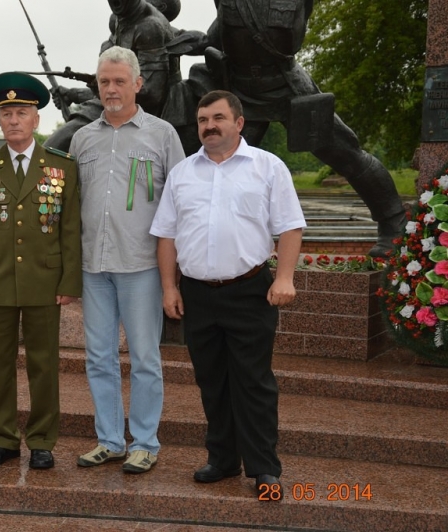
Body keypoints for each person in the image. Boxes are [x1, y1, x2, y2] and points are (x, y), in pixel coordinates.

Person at [150, 90, 306, 500]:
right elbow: (166, 234)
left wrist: (284, 277)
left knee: (252, 382)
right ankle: (222, 459)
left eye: (218, 118)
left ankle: (264, 468)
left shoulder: (267, 167)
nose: (209, 126)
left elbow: (290, 226)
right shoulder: (184, 173)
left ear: (238, 123)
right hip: (198, 294)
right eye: (203, 120)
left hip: (250, 291)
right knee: (212, 381)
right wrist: (170, 287)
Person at [181, 0, 403, 256]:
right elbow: (215, 38)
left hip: (288, 86)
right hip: (242, 93)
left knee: (346, 153)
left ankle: (394, 224)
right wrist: (176, 41)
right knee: (220, 168)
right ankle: (208, 240)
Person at [69, 46, 185, 474]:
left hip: (142, 267)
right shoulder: (83, 138)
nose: (112, 89)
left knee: (144, 358)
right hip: (92, 268)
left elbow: (179, 203)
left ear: (138, 83)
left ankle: (146, 442)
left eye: (120, 81)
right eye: (104, 82)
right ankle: (110, 440)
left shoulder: (162, 134)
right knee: (98, 357)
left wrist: (173, 275)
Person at [0, 72, 82, 470]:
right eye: (7, 113)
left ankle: (43, 441)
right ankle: (4, 439)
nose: (13, 120)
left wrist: (69, 281)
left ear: (36, 120)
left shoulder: (62, 167)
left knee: (45, 365)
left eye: (22, 113)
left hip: (45, 281)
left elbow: (70, 229)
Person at [46, 0, 182, 151]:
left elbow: (152, 94)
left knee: (57, 143)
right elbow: (114, 84)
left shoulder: (149, 27)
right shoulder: (119, 18)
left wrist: (98, 89)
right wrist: (73, 94)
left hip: (138, 112)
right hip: (117, 105)